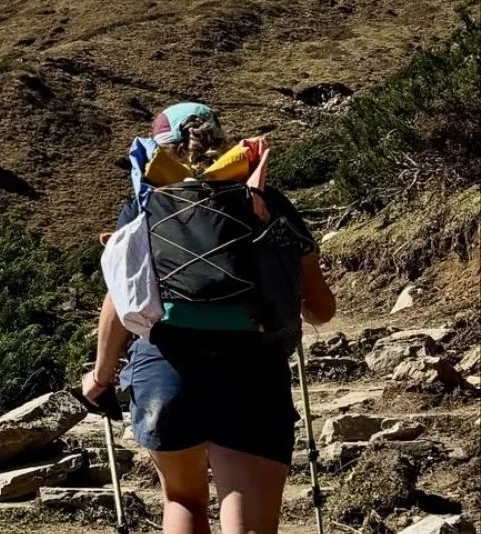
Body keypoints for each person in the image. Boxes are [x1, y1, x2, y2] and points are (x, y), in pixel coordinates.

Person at [81, 103, 336, 534]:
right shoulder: (265, 202)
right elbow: (322, 309)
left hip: (165, 367)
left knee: (183, 499)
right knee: (249, 515)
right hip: (251, 369)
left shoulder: (146, 205)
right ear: (221, 141)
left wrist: (101, 377)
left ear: (160, 149)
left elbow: (120, 302)